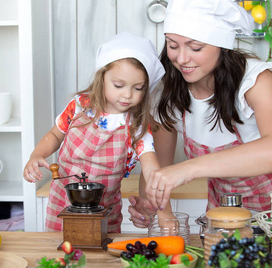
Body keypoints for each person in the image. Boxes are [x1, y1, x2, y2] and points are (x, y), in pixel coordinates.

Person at [129, 0, 272, 228]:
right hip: (229, 201)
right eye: (173, 45)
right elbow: (157, 167)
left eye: (195, 48)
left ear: (221, 44)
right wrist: (151, 205)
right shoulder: (169, 91)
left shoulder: (256, 79)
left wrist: (187, 169)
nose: (181, 59)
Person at [23, 32, 169, 232]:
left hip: (105, 210)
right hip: (62, 203)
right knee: (60, 255)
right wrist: (37, 155)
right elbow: (55, 135)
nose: (127, 95)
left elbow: (150, 164)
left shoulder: (137, 125)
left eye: (138, 88)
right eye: (119, 85)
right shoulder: (79, 106)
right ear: (102, 78)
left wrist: (154, 191)